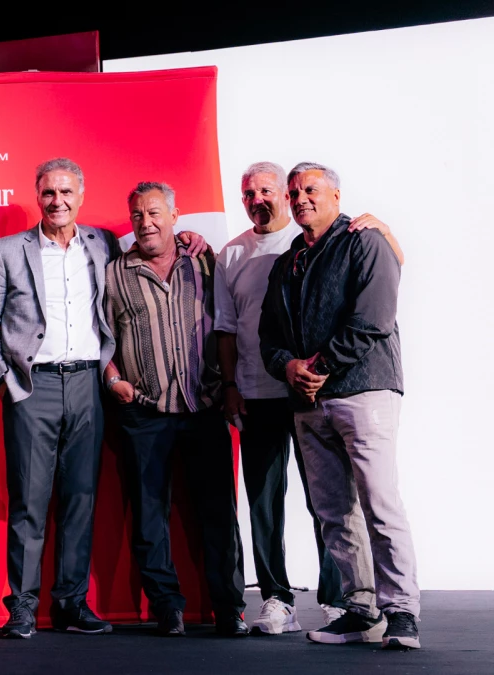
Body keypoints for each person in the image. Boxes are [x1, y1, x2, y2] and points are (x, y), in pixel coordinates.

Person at [0, 159, 207, 639]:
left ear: (80, 197)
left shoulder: (102, 243)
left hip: (87, 385)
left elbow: (155, 242)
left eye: (65, 192)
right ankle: (21, 605)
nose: (56, 201)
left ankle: (71, 603)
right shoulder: (7, 250)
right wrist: (2, 379)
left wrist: (190, 240)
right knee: (29, 503)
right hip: (31, 387)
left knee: (81, 498)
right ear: (37, 197)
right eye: (47, 193)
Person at [215, 162, 404, 635]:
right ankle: (282, 599)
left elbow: (380, 291)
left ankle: (348, 602)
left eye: (271, 190)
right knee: (285, 502)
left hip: (331, 390)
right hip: (268, 390)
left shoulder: (343, 238)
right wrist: (242, 383)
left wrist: (386, 229)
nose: (261, 199)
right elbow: (239, 328)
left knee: (351, 503)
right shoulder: (246, 254)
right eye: (247, 193)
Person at [259, 162, 420, 650]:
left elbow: (373, 318)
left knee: (379, 504)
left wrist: (319, 366)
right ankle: (360, 609)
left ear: (335, 194)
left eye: (311, 189)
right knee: (334, 513)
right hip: (309, 403)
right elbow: (268, 336)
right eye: (294, 191)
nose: (301, 197)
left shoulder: (364, 240)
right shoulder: (287, 262)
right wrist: (290, 368)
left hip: (363, 392)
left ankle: (401, 613)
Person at [103, 181, 247, 638]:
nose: (146, 223)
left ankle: (230, 608)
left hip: (203, 407)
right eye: (138, 216)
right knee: (149, 517)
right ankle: (167, 607)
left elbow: (229, 324)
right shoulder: (114, 274)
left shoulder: (205, 261)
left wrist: (228, 386)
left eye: (154, 213)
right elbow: (99, 336)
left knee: (218, 516)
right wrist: (113, 379)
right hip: (144, 412)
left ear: (174, 216)